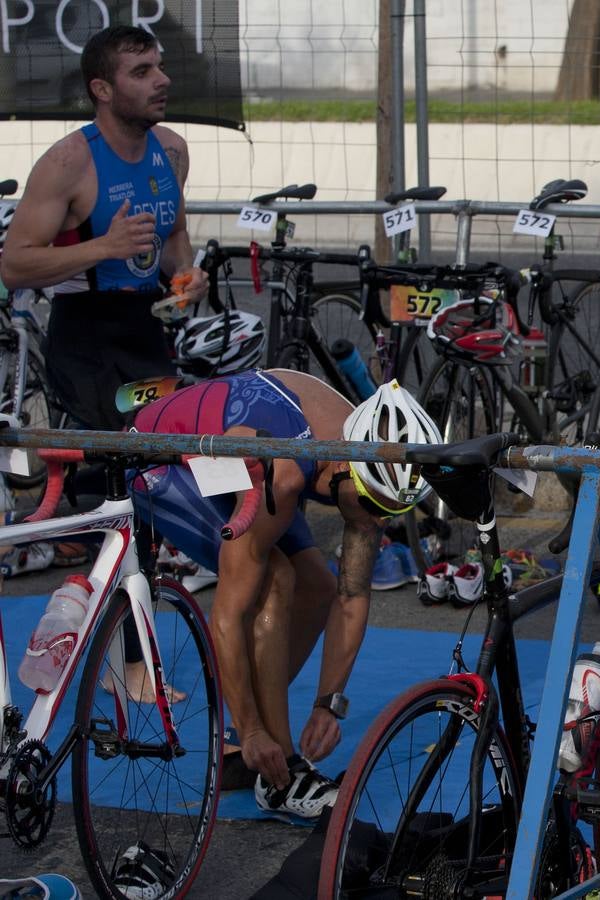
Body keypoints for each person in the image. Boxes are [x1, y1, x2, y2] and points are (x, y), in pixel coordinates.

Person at [129, 370, 440, 821]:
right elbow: (227, 616)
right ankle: (280, 771)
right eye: (374, 506)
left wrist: (328, 703)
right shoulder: (288, 472)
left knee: (318, 586)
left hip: (247, 453)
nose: (377, 522)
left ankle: (243, 741)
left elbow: (351, 596)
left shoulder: (364, 455)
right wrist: (255, 729)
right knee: (274, 580)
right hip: (161, 458)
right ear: (346, 469)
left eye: (393, 511)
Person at [0, 24, 207, 431]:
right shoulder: (67, 162)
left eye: (161, 67)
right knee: (133, 444)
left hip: (145, 330)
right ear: (103, 90)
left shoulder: (172, 149)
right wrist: (103, 247)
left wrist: (186, 273)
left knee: (170, 439)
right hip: (85, 339)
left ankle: (94, 483)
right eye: (142, 72)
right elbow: (14, 266)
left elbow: (175, 236)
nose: (163, 80)